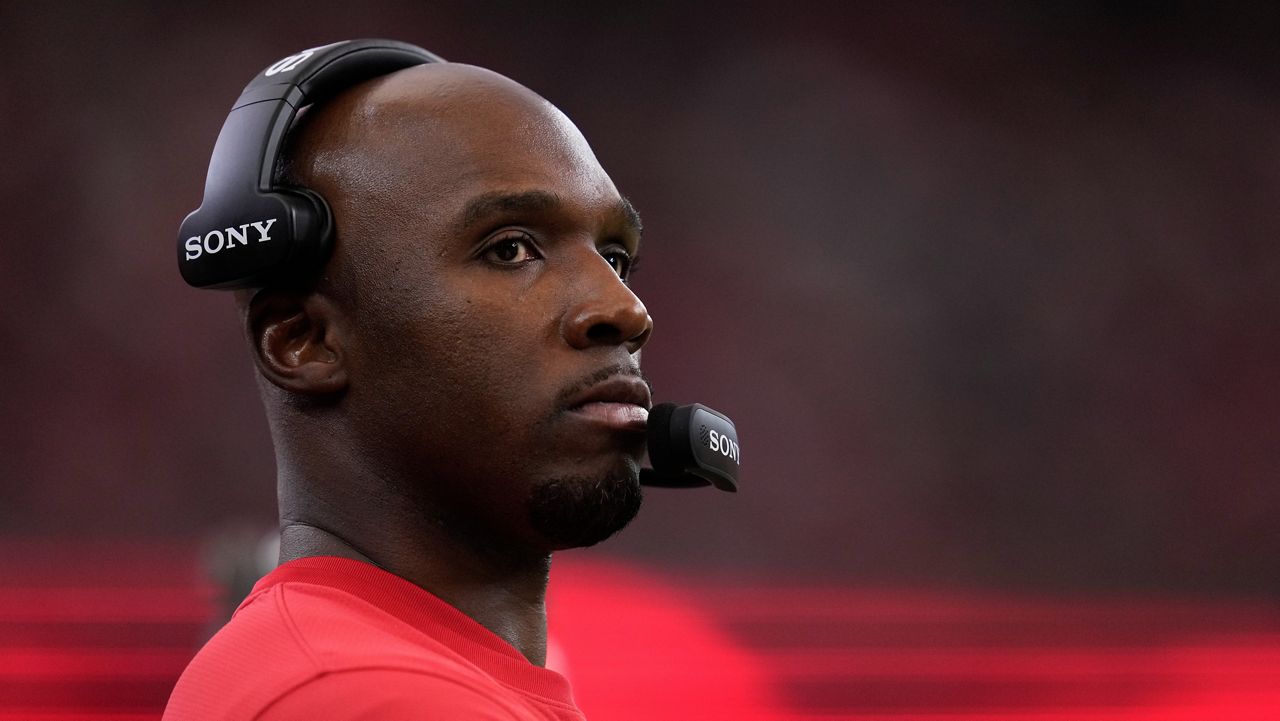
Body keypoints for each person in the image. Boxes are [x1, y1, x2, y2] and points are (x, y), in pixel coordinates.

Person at [163, 47, 655, 720]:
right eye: (510, 248)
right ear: (302, 340)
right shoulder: (364, 695)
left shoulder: (349, 671)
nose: (626, 309)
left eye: (615, 256)